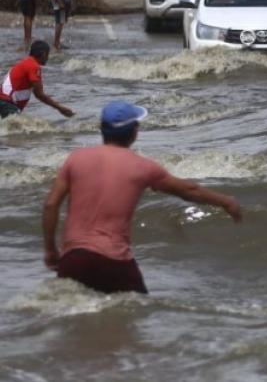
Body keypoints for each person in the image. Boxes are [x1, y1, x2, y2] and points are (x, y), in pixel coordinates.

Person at [42, 101, 242, 295]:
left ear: (101, 129)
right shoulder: (143, 167)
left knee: (74, 322)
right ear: (135, 132)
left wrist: (51, 250)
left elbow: (51, 205)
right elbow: (189, 191)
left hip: (73, 260)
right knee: (135, 314)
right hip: (113, 261)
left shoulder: (76, 159)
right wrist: (226, 201)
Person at [0, 41, 74, 119]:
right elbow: (39, 94)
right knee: (22, 129)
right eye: (48, 55)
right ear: (44, 54)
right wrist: (60, 108)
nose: (48, 58)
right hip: (7, 102)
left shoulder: (25, 62)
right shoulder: (33, 66)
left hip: (4, 101)